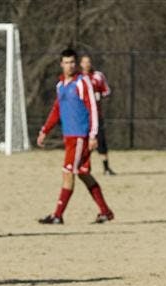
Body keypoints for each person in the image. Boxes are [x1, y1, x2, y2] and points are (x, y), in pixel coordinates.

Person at [37, 48, 114, 225]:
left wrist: (93, 134)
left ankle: (57, 215)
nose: (69, 65)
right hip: (69, 136)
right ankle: (105, 212)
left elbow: (92, 108)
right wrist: (44, 130)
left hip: (80, 136)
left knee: (68, 173)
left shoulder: (82, 82)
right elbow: (57, 109)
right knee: (83, 173)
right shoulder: (61, 85)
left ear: (76, 63)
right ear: (61, 64)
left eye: (72, 62)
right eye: (66, 62)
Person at [79, 53, 115, 175]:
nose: (87, 64)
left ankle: (106, 168)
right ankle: (82, 166)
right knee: (82, 142)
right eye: (84, 62)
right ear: (81, 64)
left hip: (96, 116)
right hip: (82, 117)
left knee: (101, 141)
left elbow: (107, 91)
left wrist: (98, 95)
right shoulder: (78, 78)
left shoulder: (98, 76)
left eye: (88, 62)